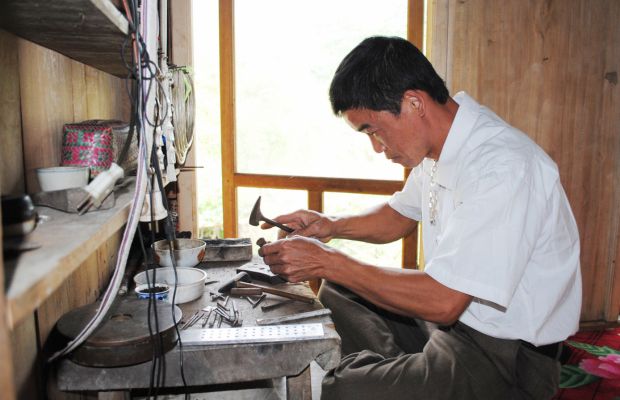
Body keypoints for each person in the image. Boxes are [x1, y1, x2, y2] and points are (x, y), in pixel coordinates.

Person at [258, 36, 582, 399]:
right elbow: (398, 215)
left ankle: (391, 378)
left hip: (506, 358)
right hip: (451, 329)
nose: (377, 148)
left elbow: (444, 302)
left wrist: (327, 261)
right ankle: (407, 376)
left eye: (374, 131)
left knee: (338, 389)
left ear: (413, 102)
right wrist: (331, 227)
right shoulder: (442, 145)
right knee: (341, 290)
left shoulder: (503, 166)